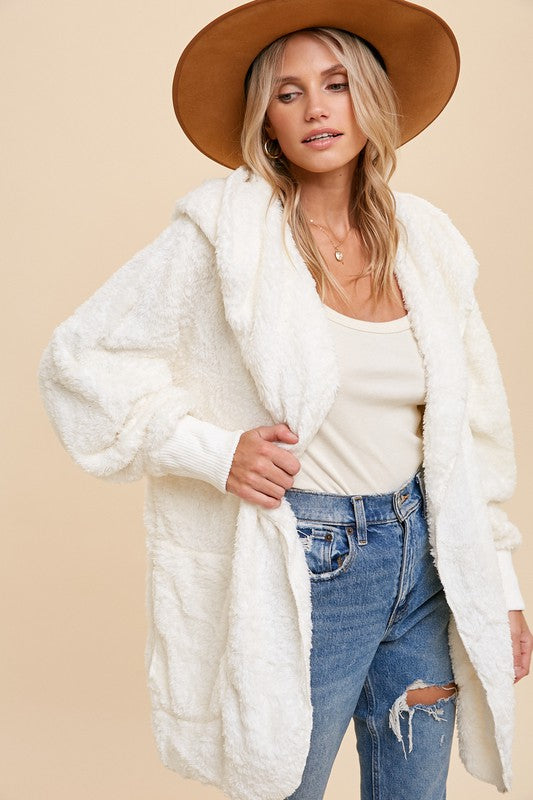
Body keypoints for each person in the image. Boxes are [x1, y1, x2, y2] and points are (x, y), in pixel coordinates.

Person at [38, 1, 532, 798]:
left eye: (335, 84)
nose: (314, 110)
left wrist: (498, 591)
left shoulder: (427, 240)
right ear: (265, 120)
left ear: (368, 98)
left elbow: (472, 432)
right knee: (284, 787)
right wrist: (211, 452)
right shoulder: (224, 233)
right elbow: (78, 362)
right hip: (311, 563)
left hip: (427, 562)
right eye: (287, 93)